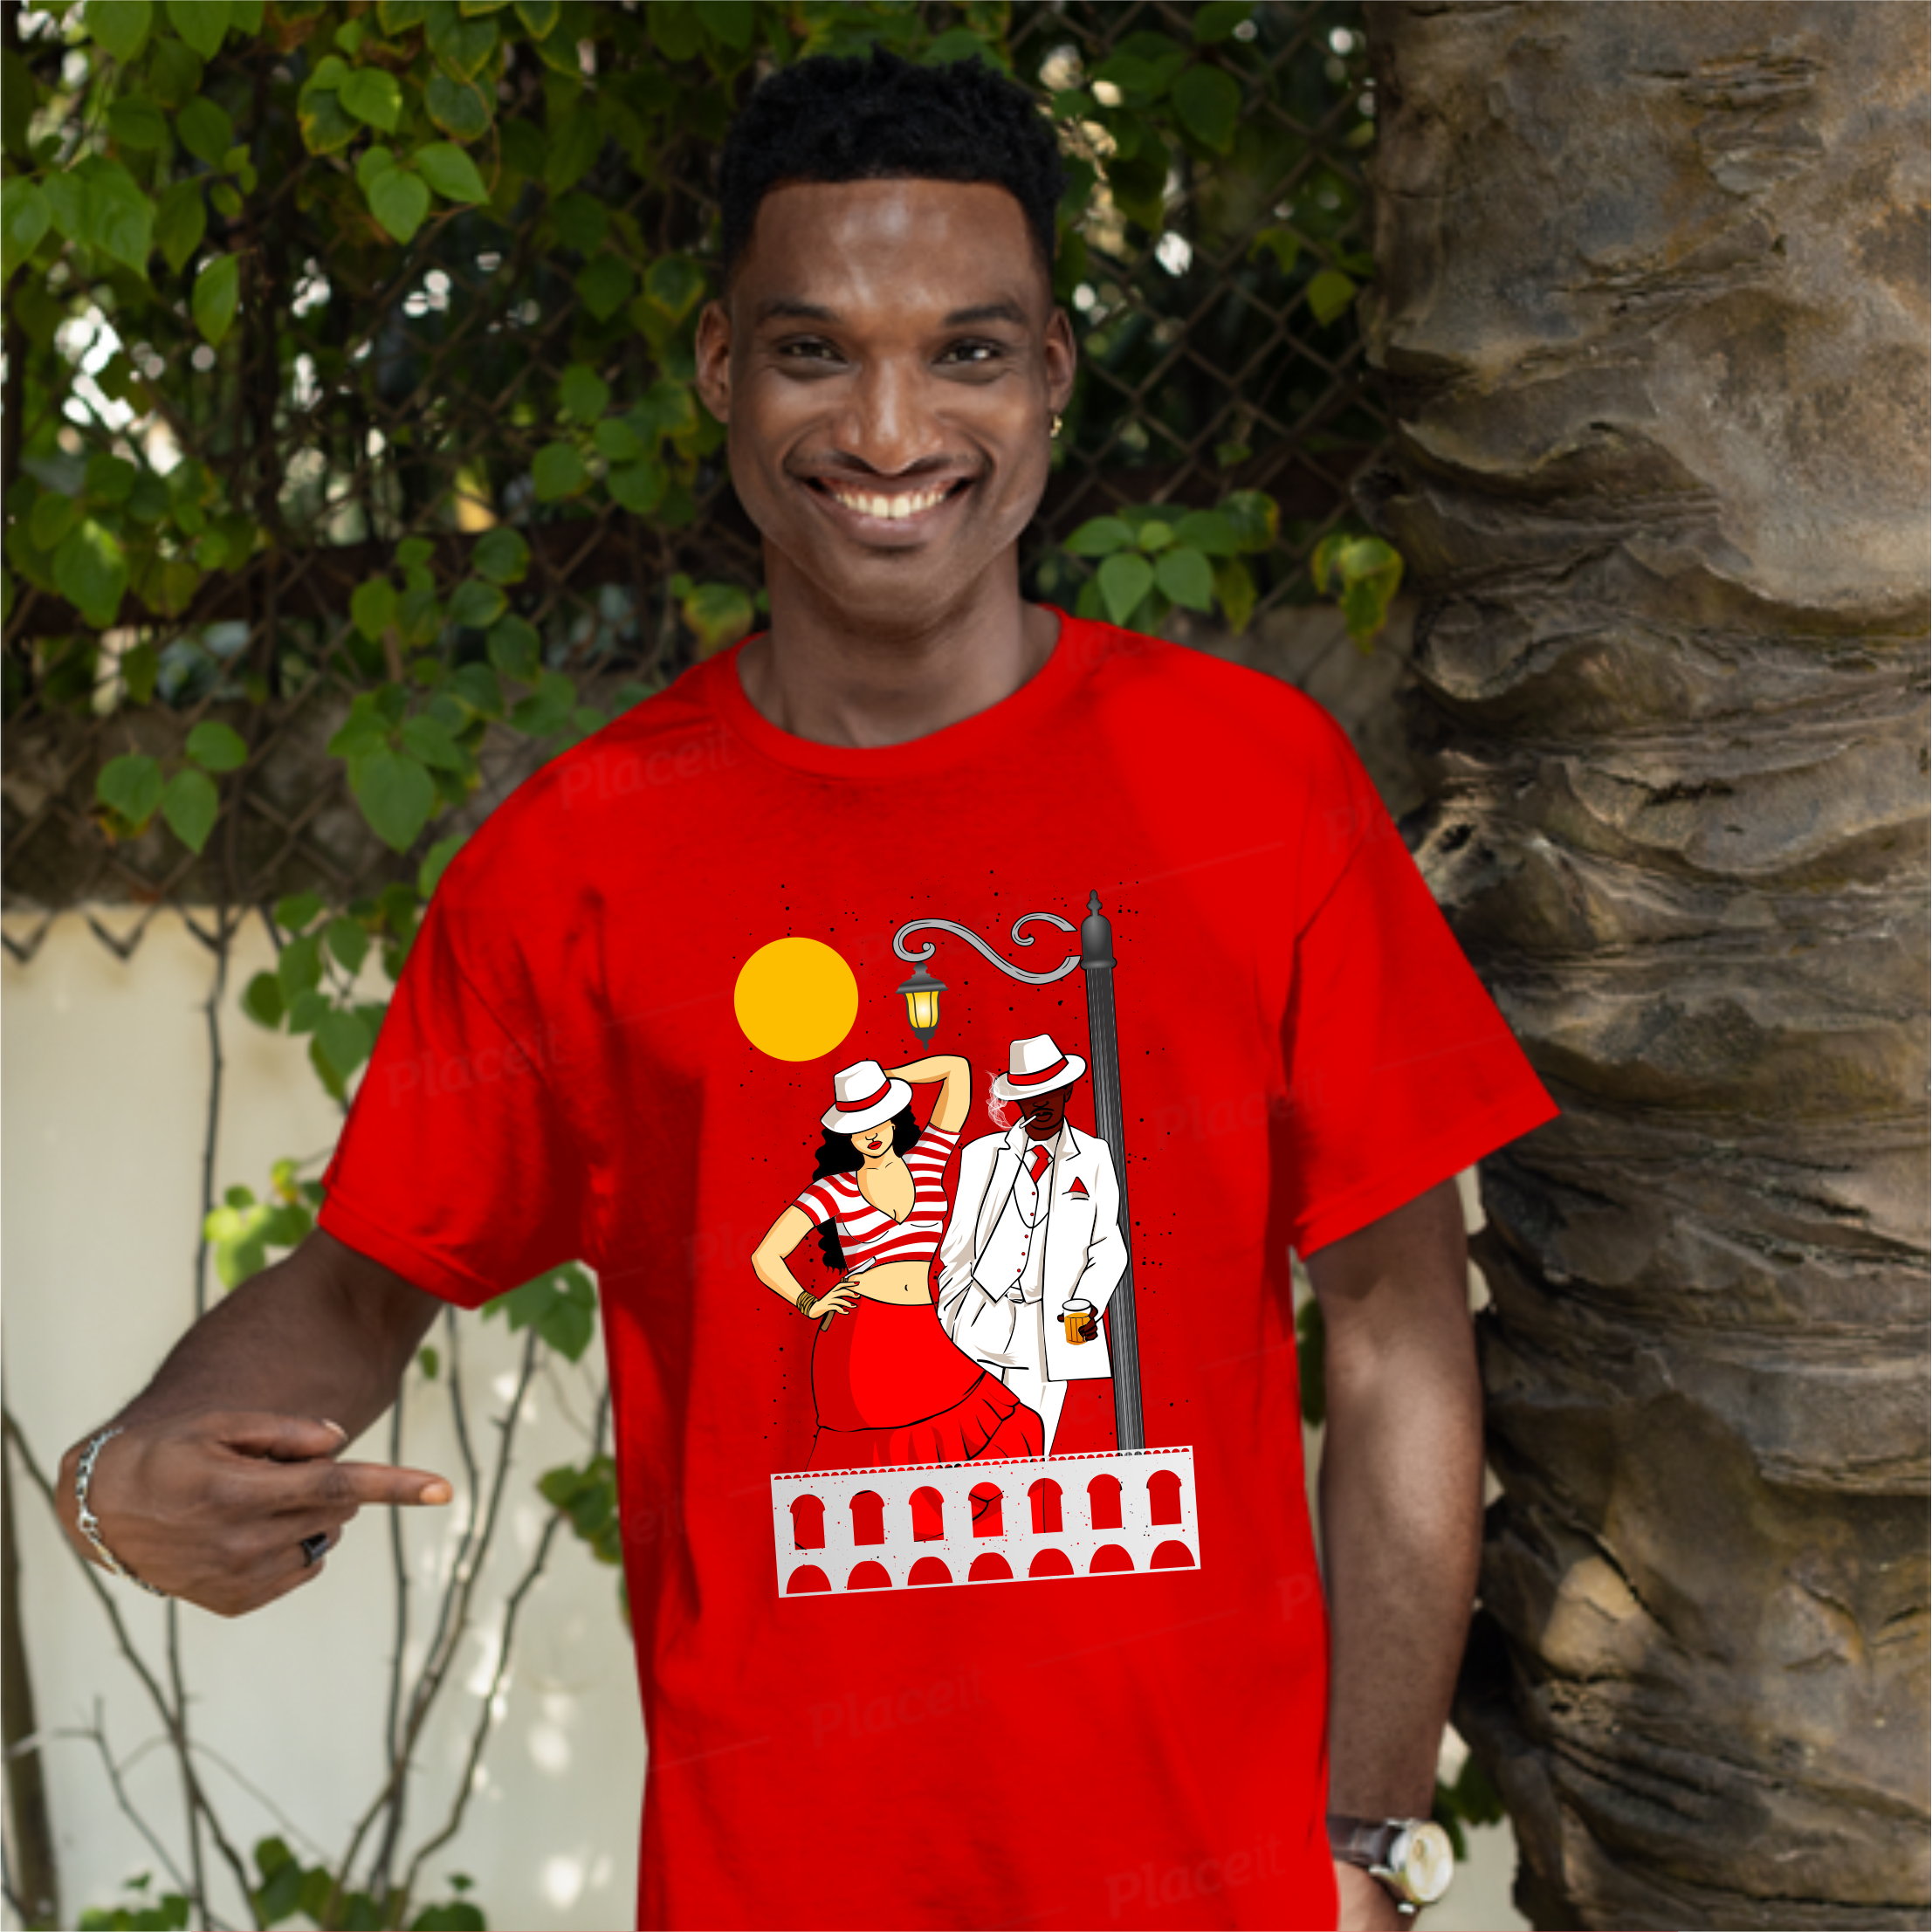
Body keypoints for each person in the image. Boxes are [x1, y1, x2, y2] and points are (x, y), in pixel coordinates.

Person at [56, 47, 1556, 1932]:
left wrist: (1364, 1836)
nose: (890, 423)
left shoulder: (1250, 789)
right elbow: (366, 1281)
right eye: (813, 351)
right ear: (719, 368)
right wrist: (123, 1469)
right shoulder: (578, 859)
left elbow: (1398, 1322)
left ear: (1050, 375)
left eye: (966, 350)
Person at [749, 1054, 1044, 1468]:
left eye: (878, 1118)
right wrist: (808, 1303)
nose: (870, 1133)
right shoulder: (834, 1189)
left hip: (924, 1325)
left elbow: (956, 1070)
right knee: (888, 1458)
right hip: (862, 1336)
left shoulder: (926, 1160)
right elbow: (765, 1255)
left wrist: (885, 1078)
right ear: (846, 1136)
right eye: (858, 1126)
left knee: (991, 1429)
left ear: (894, 1119)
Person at [936, 1032, 1125, 1454]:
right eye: (1028, 1095)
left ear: (1067, 1091)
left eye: (1049, 1092)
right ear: (1016, 1101)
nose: (1040, 1103)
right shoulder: (982, 1154)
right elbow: (959, 1242)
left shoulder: (1094, 1155)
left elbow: (1108, 1244)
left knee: (1032, 1444)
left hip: (1049, 1326)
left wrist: (1088, 1304)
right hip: (980, 1315)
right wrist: (952, 1310)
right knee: (967, 1441)